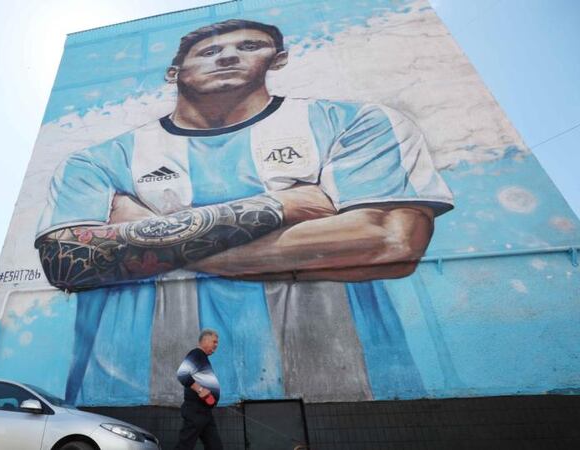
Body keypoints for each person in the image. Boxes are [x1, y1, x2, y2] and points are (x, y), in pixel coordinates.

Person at [34, 19, 454, 405]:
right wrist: (282, 205)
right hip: (125, 392)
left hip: (346, 384)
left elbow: (389, 241)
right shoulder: (96, 160)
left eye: (250, 46)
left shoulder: (356, 122)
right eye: (208, 52)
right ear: (173, 71)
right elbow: (69, 261)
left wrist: (144, 231)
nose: (229, 56)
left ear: (279, 58)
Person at [175, 329, 223, 450]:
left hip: (205, 411)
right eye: (214, 342)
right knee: (185, 446)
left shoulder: (202, 358)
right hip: (195, 410)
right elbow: (182, 374)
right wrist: (200, 390)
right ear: (205, 340)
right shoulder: (196, 354)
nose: (216, 345)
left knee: (215, 447)